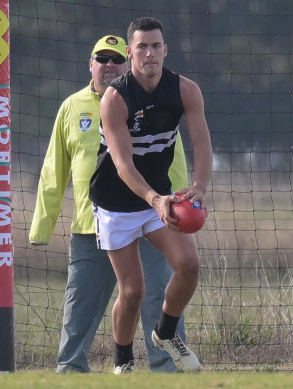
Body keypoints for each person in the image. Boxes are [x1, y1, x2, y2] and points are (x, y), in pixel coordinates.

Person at [28, 34, 189, 373]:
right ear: (91, 65)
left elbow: (171, 162)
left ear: (127, 61)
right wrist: (42, 226)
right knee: (80, 307)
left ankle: (166, 371)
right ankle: (71, 371)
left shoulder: (151, 100)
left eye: (115, 58)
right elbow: (53, 171)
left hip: (149, 219)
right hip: (92, 225)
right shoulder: (71, 107)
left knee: (154, 296)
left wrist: (176, 208)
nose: (109, 65)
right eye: (101, 59)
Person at [89, 17, 213, 374]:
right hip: (116, 201)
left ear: (165, 50)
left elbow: (202, 143)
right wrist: (155, 200)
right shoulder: (115, 98)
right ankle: (123, 362)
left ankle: (166, 333)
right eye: (141, 47)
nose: (150, 53)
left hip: (157, 198)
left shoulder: (185, 90)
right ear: (130, 54)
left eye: (156, 46)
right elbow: (124, 164)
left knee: (189, 266)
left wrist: (200, 187)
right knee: (133, 291)